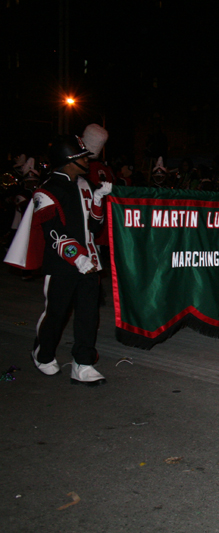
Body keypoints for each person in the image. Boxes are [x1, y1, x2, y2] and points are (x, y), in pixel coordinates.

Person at [13, 135, 112, 385]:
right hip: (62, 266)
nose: (85, 161)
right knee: (56, 313)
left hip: (90, 263)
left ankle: (83, 362)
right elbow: (55, 235)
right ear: (68, 161)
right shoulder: (45, 191)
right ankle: (43, 353)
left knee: (89, 315)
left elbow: (95, 227)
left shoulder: (85, 185)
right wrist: (77, 258)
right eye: (80, 157)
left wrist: (98, 200)